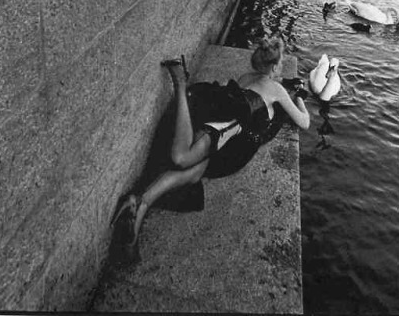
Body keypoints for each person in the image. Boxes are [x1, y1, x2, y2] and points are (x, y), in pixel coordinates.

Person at [110, 36, 309, 262]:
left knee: (194, 172)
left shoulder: (245, 78)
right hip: (225, 140)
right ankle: (180, 84)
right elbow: (304, 122)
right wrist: (300, 98)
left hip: (221, 136)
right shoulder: (277, 90)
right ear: (274, 66)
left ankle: (140, 202)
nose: (281, 68)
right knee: (181, 159)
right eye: (281, 64)